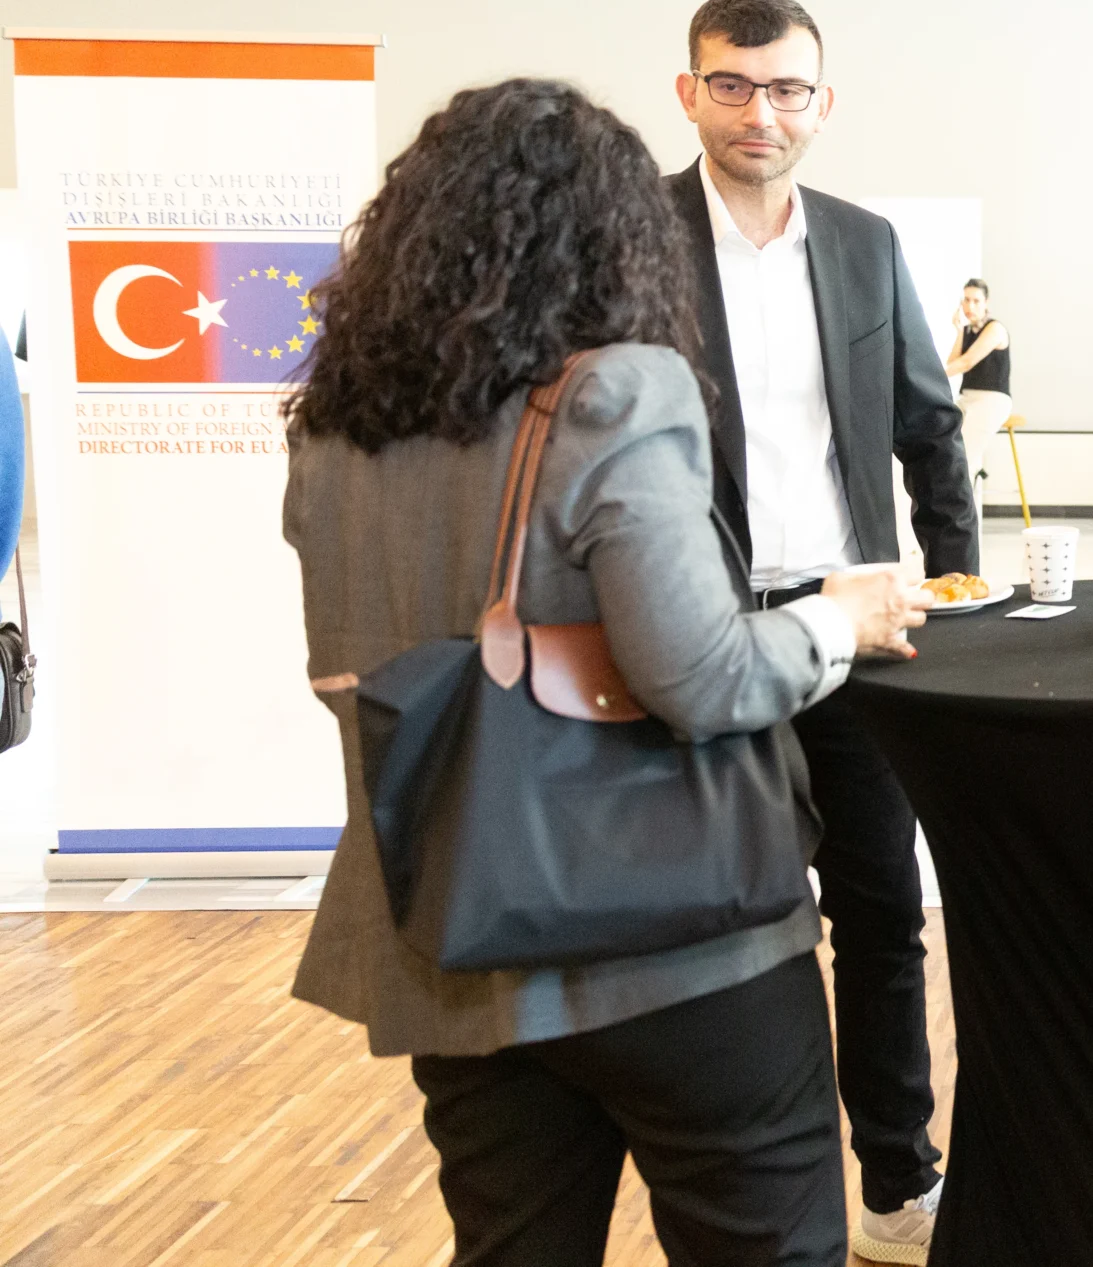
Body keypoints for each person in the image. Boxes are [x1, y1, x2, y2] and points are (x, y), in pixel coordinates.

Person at [281, 77, 931, 1267]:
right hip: (673, 946)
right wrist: (835, 622)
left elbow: (346, 663)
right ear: (615, 236)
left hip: (453, 936)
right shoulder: (619, 393)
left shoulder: (334, 428)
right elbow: (707, 678)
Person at [666, 0, 978, 1264]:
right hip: (694, 638)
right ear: (689, 92)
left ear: (822, 102)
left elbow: (930, 429)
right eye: (733, 84)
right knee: (721, 926)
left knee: (881, 916)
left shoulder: (861, 241)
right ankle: (747, 1192)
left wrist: (954, 598)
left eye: (787, 87)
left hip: (855, 631)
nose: (762, 110)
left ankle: (898, 1186)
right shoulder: (635, 240)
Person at [945, 278, 1012, 507]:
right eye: (966, 300)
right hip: (967, 399)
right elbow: (953, 362)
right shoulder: (968, 331)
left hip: (992, 400)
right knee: (945, 444)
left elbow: (966, 362)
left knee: (963, 457)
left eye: (976, 301)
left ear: (986, 303)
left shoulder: (995, 329)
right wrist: (959, 331)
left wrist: (931, 377)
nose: (970, 306)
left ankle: (963, 515)